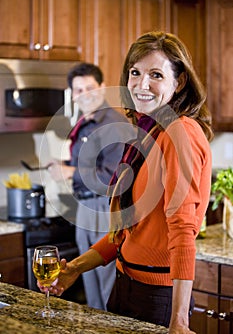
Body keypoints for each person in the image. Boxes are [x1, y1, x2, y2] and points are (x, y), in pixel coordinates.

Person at [40, 32, 213, 333]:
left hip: (156, 298)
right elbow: (126, 233)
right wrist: (74, 270)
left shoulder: (180, 132)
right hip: (125, 288)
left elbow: (183, 230)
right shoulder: (146, 133)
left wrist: (179, 322)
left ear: (180, 81)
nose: (141, 84)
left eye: (156, 75)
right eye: (135, 72)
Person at [47, 62, 135, 310]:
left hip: (104, 208)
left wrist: (69, 171)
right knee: (90, 285)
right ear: (72, 94)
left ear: (102, 87)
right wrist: (65, 164)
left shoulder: (114, 124)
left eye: (90, 88)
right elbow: (90, 162)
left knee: (107, 285)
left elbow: (112, 177)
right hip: (85, 207)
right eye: (78, 90)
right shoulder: (86, 123)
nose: (84, 95)